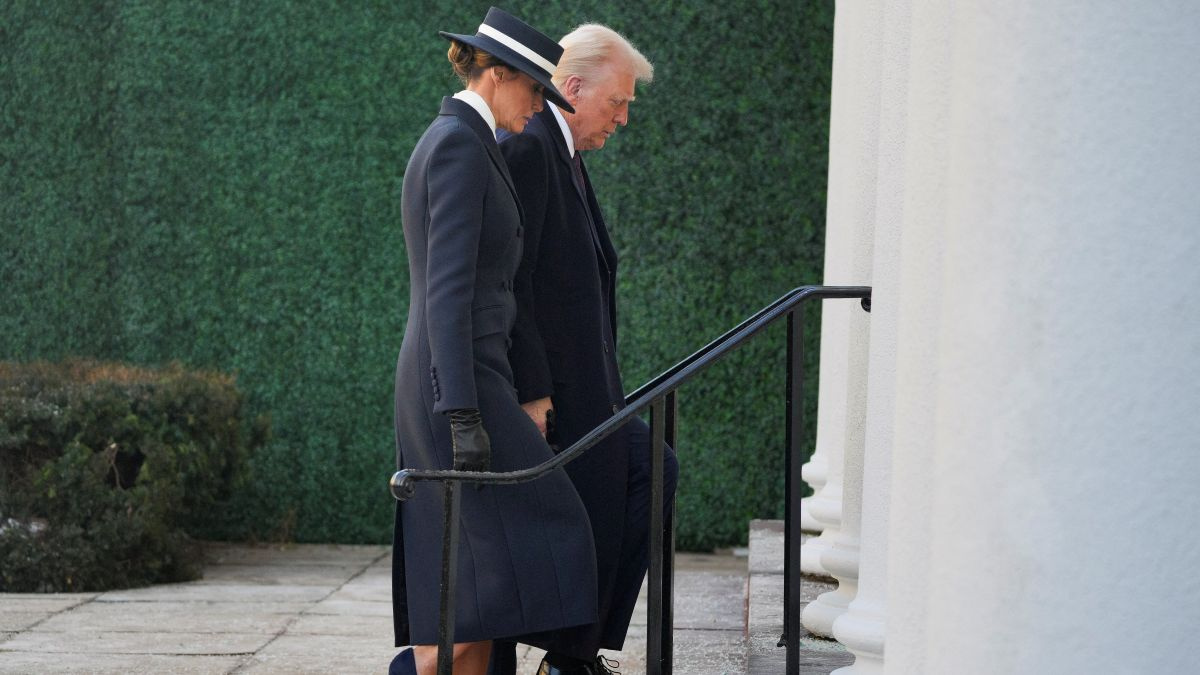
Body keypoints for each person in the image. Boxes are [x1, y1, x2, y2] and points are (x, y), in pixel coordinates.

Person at [390, 8, 599, 675]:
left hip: (468, 380)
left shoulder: (469, 140)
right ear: (495, 74)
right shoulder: (457, 144)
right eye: (535, 90)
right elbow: (448, 291)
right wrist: (460, 413)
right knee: (514, 552)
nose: (539, 107)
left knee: (472, 589)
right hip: (456, 386)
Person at [492, 24, 680, 675]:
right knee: (627, 485)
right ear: (572, 87)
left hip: (594, 393)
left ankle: (573, 654)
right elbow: (511, 279)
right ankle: (568, 658)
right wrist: (532, 389)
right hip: (555, 397)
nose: (623, 118)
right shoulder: (530, 148)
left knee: (652, 471)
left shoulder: (565, 153)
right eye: (617, 102)